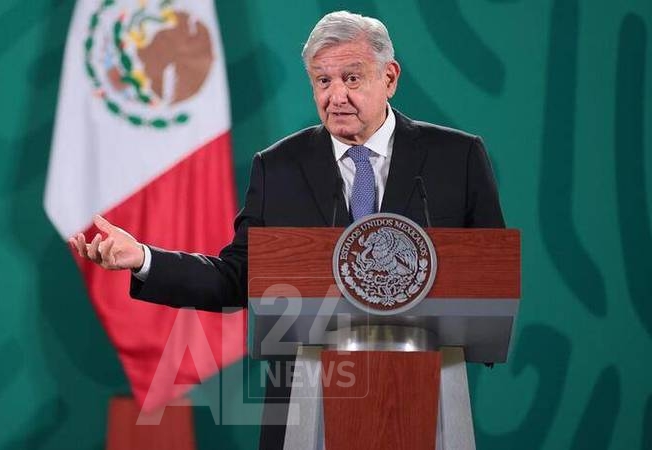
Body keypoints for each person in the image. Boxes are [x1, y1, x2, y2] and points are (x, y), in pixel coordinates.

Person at [71, 10, 504, 449]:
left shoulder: (458, 158)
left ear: (389, 77)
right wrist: (144, 259)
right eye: (323, 81)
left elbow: (491, 279)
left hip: (424, 396)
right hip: (306, 403)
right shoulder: (278, 167)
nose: (336, 96)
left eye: (351, 79)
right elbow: (236, 278)